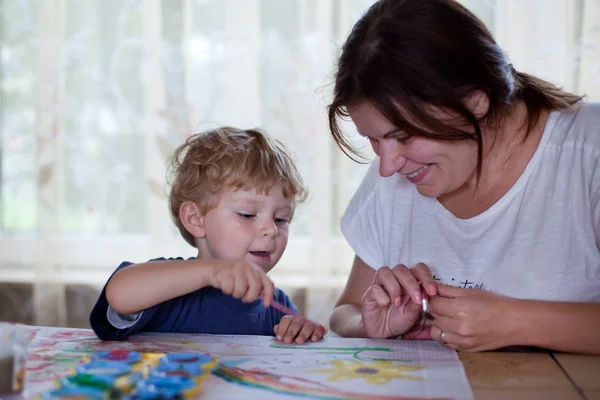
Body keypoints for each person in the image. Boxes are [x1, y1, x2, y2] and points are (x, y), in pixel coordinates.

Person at [327, 0, 600, 355]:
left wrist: (516, 321)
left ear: (474, 103)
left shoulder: (588, 154)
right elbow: (343, 312)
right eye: (373, 140)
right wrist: (373, 324)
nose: (386, 167)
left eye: (404, 136)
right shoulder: (396, 176)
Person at [90, 127, 325, 344]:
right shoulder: (168, 286)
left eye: (281, 219)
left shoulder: (276, 305)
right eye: (247, 214)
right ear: (195, 219)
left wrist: (300, 330)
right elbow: (119, 294)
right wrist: (213, 271)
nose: (271, 230)